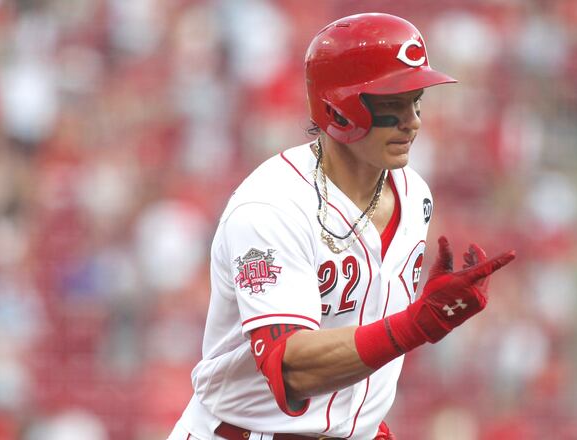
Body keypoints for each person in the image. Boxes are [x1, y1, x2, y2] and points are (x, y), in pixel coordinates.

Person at [168, 12, 515, 440]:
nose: (413, 120)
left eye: (416, 101)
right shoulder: (272, 206)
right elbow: (291, 368)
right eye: (392, 104)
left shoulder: (415, 194)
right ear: (339, 106)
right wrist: (417, 324)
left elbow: (364, 369)